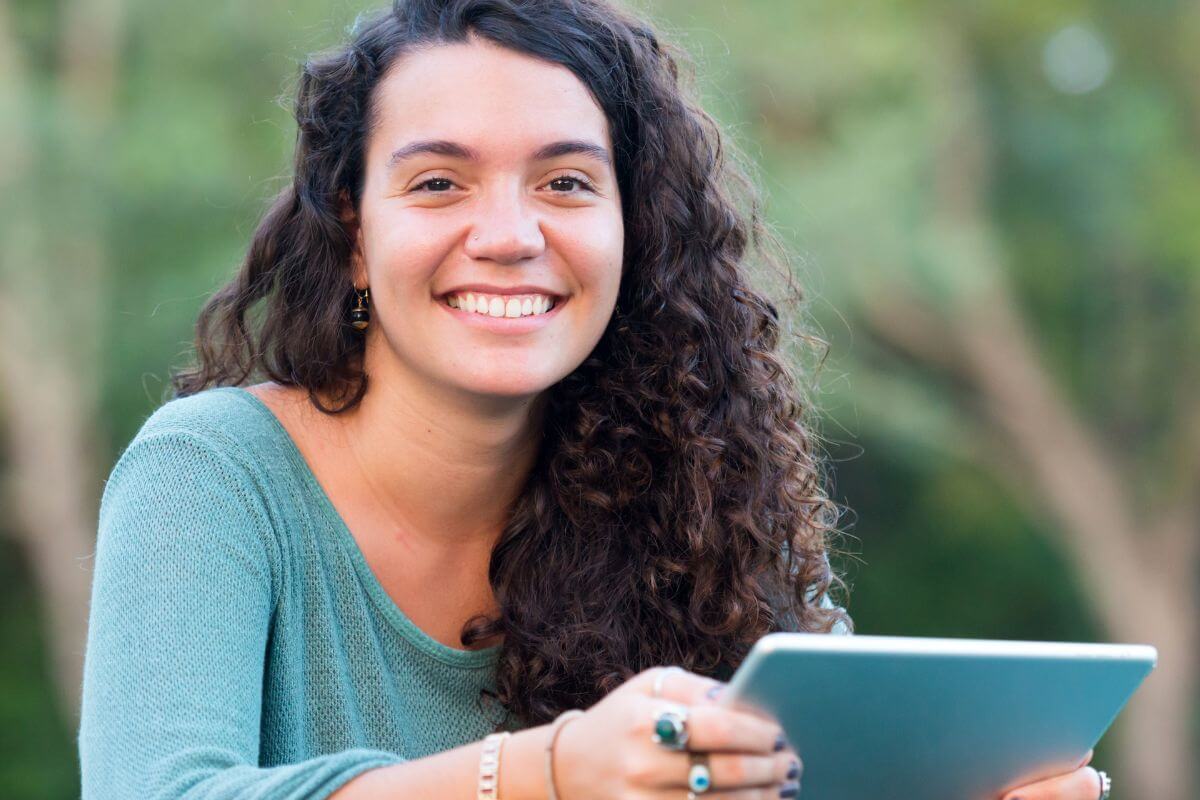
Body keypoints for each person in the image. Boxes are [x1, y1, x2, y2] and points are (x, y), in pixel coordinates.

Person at [77, 1, 1109, 798]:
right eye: (439, 182)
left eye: (566, 183)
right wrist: (550, 769)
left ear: (634, 233)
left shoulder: (693, 503)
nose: (511, 234)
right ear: (353, 232)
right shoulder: (210, 474)